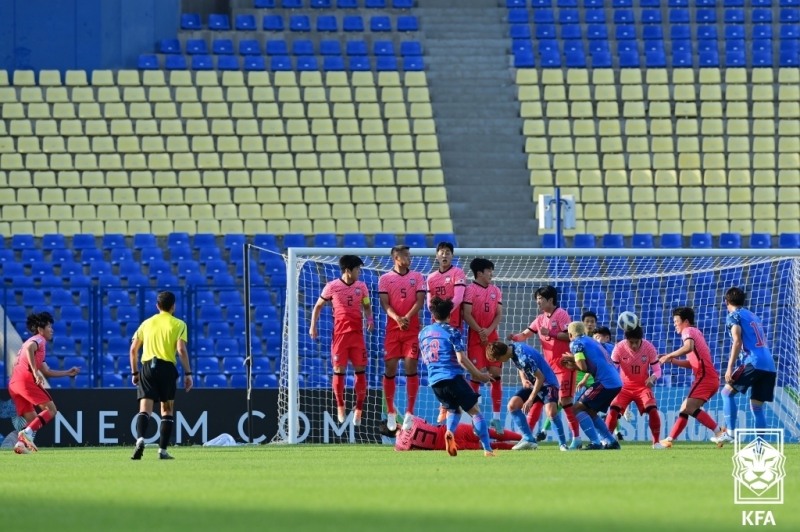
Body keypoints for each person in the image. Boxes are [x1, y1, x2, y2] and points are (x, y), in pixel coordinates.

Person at [418, 296, 494, 456]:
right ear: (450, 315)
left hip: (434, 382)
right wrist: (479, 375)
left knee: (454, 410)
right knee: (475, 412)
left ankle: (450, 432)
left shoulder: (423, 333)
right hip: (452, 377)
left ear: (433, 315)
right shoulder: (452, 331)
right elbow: (461, 359)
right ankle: (488, 449)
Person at [508, 285, 580, 448]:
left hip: (564, 366)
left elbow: (570, 336)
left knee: (565, 402)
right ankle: (528, 437)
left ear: (550, 300)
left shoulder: (561, 314)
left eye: (540, 300)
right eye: (537, 300)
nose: (538, 303)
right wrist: (515, 337)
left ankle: (576, 439)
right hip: (548, 369)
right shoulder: (540, 319)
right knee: (539, 401)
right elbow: (525, 334)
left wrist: (552, 333)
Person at [309, 254, 374, 426]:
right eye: (357, 269)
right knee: (339, 370)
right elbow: (318, 306)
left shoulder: (362, 287)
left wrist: (370, 319)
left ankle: (359, 409)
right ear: (348, 270)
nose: (360, 272)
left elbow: (367, 306)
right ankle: (340, 405)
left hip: (357, 337)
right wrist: (313, 325)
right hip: (340, 337)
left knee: (360, 371)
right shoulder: (332, 287)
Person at [129, 291, 193, 460]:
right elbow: (181, 350)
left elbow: (133, 350)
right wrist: (188, 373)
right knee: (167, 410)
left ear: (157, 306)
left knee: (145, 410)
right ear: (173, 306)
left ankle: (140, 439)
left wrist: (135, 372)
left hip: (148, 367)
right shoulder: (179, 324)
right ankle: (162, 451)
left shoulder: (146, 324)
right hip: (166, 368)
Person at [712, 287, 778, 445]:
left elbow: (737, 341)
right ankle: (760, 446)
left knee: (726, 393)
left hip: (754, 361)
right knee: (756, 406)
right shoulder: (753, 316)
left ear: (726, 302)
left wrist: (729, 368)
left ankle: (730, 433)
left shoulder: (733, 316)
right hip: (769, 365)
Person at [8, 311, 80, 454]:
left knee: (33, 420)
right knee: (51, 410)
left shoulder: (35, 345)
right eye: (49, 327)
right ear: (41, 329)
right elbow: (30, 349)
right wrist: (34, 371)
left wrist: (67, 372)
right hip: (25, 380)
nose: (52, 330)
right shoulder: (39, 340)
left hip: (14, 383)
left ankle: (21, 444)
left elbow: (47, 371)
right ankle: (25, 435)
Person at [658, 307, 726, 448]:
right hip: (709, 377)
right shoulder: (696, 333)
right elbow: (692, 363)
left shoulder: (687, 331)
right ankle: (669, 440)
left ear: (686, 321)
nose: (675, 324)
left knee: (688, 407)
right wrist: (673, 361)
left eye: (677, 321)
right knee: (685, 408)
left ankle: (719, 432)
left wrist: (670, 355)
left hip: (705, 377)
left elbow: (688, 347)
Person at [486, 341, 569, 451]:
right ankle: (528, 439)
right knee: (512, 405)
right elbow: (521, 367)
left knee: (551, 412)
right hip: (533, 383)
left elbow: (541, 377)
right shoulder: (513, 348)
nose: (498, 362)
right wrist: (523, 379)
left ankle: (563, 444)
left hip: (548, 384)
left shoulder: (523, 357)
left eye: (497, 359)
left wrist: (530, 399)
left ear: (502, 354)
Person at [378, 245, 427, 431]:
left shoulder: (417, 277)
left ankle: (409, 412)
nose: (409, 257)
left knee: (410, 367)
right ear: (396, 258)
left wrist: (406, 317)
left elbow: (420, 301)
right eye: (405, 255)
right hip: (393, 329)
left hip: (411, 330)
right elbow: (385, 304)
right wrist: (397, 318)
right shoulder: (385, 279)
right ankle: (390, 412)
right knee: (390, 367)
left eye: (409, 254)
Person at [561, 321, 623, 450]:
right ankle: (611, 442)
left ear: (570, 334)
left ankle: (596, 442)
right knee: (590, 411)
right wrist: (575, 363)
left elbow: (582, 366)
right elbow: (589, 365)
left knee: (576, 408)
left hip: (605, 382)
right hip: (615, 381)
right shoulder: (590, 340)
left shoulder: (576, 344)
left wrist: (572, 360)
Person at [426, 241, 467, 423]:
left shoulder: (458, 273)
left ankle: (452, 405)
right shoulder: (431, 278)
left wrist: (444, 312)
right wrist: (438, 315)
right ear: (436, 255)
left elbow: (458, 298)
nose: (445, 255)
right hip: (437, 328)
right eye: (441, 252)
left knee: (455, 364)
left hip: (454, 324)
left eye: (448, 252)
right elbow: (429, 303)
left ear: (452, 256)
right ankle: (444, 406)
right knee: (440, 364)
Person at [462, 257, 504, 433]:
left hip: (492, 337)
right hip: (475, 339)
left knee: (495, 374)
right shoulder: (470, 290)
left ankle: (496, 418)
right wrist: (480, 330)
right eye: (489, 271)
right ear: (480, 273)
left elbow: (498, 314)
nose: (491, 274)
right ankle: (475, 418)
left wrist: (489, 330)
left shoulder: (496, 290)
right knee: (477, 376)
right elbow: (466, 314)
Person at [607, 326, 664, 449]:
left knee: (653, 410)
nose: (633, 345)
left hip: (642, 387)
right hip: (623, 387)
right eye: (630, 342)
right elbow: (612, 370)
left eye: (636, 342)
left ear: (641, 339)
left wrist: (652, 378)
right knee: (613, 410)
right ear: (626, 339)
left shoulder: (648, 347)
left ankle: (656, 443)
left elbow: (658, 371)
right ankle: (607, 441)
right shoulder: (619, 348)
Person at [383, 415, 523, 451]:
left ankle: (520, 447)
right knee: (488, 433)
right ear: (395, 424)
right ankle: (525, 438)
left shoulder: (400, 446)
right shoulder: (411, 421)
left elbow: (399, 449)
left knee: (486, 447)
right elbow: (425, 423)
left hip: (451, 445)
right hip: (451, 430)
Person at [593, 325, 625, 441]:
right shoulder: (594, 349)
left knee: (610, 409)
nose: (596, 339)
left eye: (598, 337)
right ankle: (609, 434)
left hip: (614, 383)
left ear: (607, 338)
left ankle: (610, 435)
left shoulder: (614, 349)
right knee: (600, 411)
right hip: (600, 383)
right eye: (594, 337)